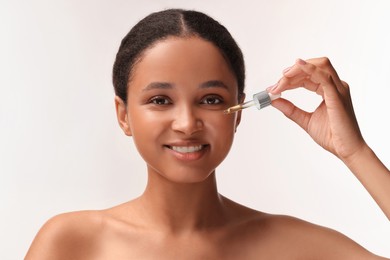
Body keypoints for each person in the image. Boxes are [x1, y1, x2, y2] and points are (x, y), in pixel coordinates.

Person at [25, 8, 390, 259]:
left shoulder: (295, 247)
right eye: (160, 100)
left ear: (239, 111)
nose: (186, 123)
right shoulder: (72, 243)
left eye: (211, 99)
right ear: (124, 115)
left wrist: (354, 152)